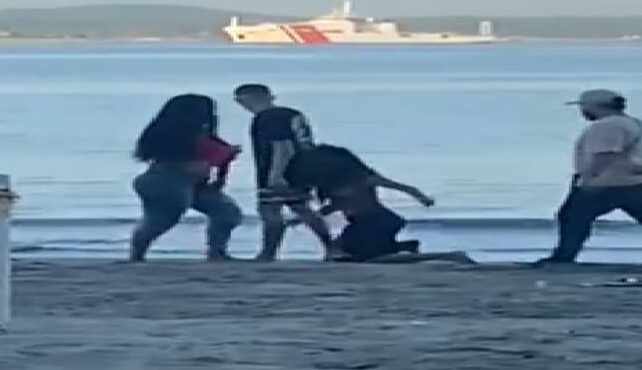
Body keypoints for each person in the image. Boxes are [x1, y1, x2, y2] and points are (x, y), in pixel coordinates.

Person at [537, 88, 642, 266]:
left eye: (583, 107)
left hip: (611, 182)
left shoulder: (608, 126)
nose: (582, 112)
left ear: (593, 106)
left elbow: (606, 155)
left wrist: (587, 179)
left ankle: (563, 258)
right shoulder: (639, 124)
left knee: (573, 216)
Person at [287, 145, 470, 263]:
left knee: (370, 260)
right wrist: (304, 218)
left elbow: (401, 187)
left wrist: (422, 197)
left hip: (377, 221)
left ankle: (448, 256)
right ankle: (404, 248)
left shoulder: (364, 178)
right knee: (347, 253)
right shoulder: (334, 184)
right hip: (362, 223)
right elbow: (335, 207)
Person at [129, 94, 242, 262]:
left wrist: (219, 174)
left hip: (188, 183)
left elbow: (213, 162)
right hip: (167, 181)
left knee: (226, 212)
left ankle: (217, 252)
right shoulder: (174, 135)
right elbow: (191, 164)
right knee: (161, 220)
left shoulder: (199, 134)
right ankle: (137, 255)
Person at [232, 83, 333, 261]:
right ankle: (331, 246)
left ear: (251, 98)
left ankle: (268, 252)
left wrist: (277, 174)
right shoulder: (292, 114)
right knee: (302, 208)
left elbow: (282, 146)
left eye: (241, 100)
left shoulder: (267, 118)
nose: (241, 105)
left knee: (270, 210)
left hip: (280, 171)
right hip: (303, 169)